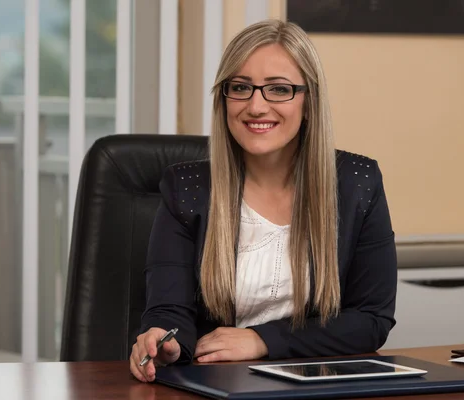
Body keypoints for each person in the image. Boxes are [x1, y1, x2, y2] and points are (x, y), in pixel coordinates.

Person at [129, 19, 397, 383]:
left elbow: (370, 320)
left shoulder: (357, 183)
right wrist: (165, 340)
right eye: (240, 87)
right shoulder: (186, 188)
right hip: (214, 385)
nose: (256, 106)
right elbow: (169, 310)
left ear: (309, 102)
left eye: (279, 89)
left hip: (317, 387)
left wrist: (263, 340)